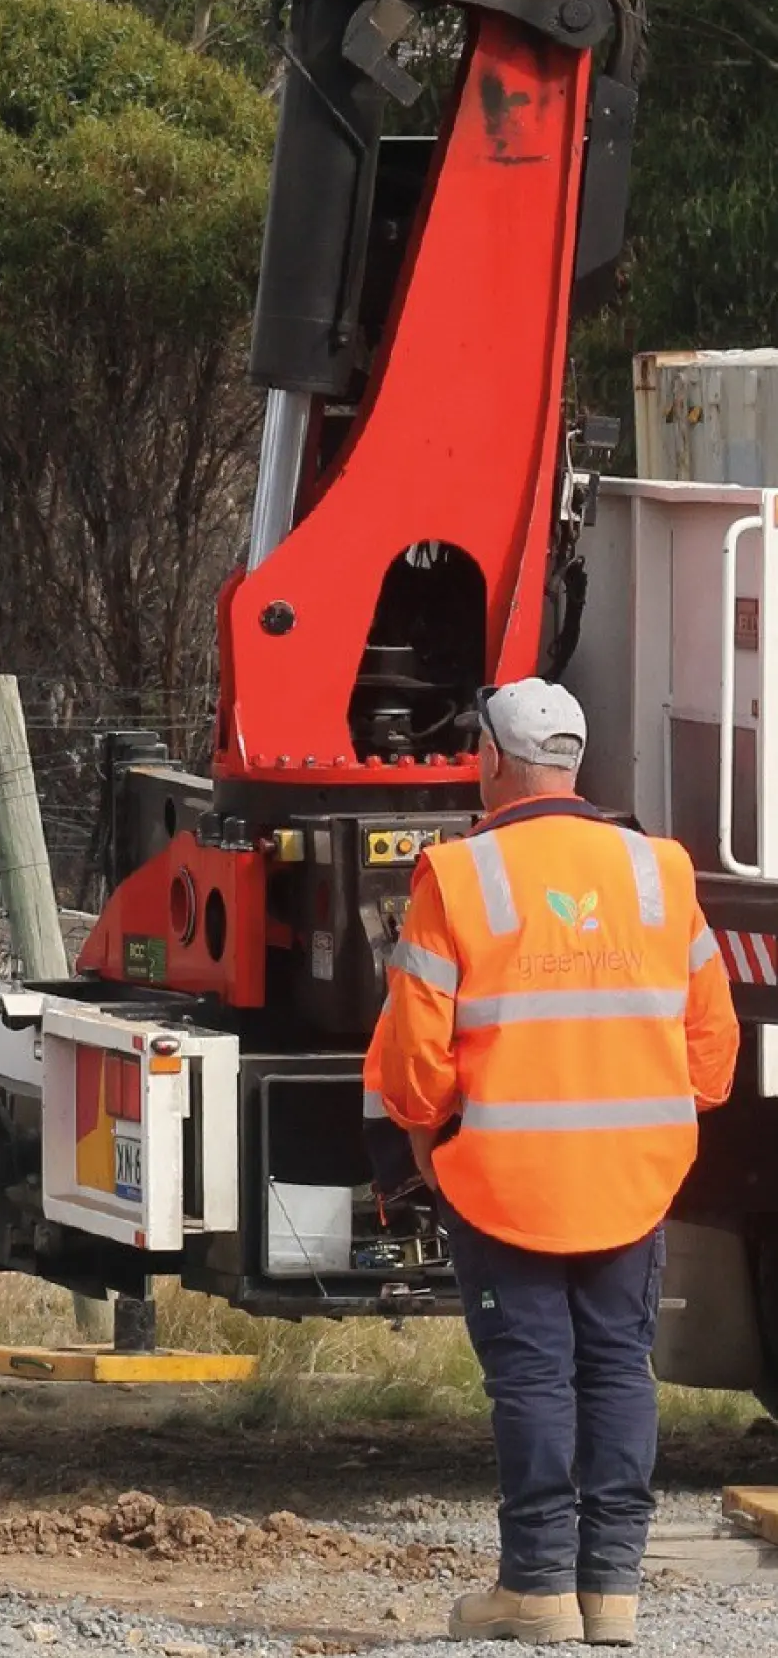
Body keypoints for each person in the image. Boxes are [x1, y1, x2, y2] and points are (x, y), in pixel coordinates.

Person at [366, 679, 738, 1646]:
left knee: (532, 1378)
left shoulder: (458, 876)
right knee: (617, 1368)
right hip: (631, 1180)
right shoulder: (660, 869)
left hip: (504, 1181)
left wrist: (425, 1139)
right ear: (576, 761)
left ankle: (535, 1588)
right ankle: (610, 1592)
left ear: (491, 760)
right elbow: (713, 1052)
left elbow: (414, 1061)